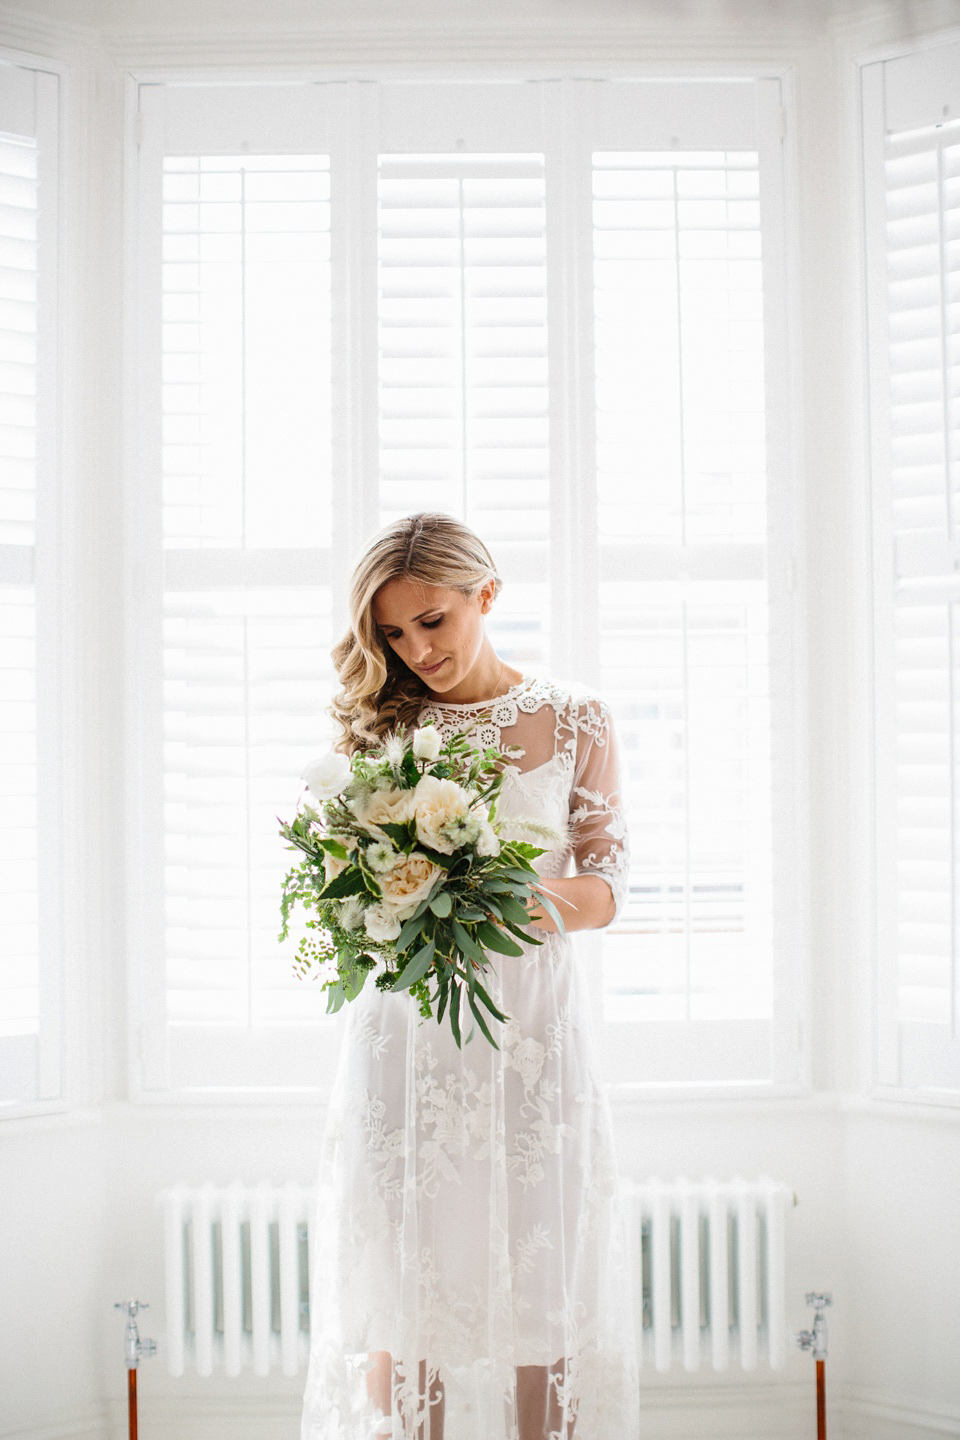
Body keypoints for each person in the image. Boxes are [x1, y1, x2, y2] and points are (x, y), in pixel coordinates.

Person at [301, 512, 639, 1440]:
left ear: (486, 597)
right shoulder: (381, 724)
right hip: (406, 1034)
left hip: (531, 1034)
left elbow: (608, 886)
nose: (416, 651)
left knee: (545, 1279)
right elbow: (346, 885)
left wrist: (519, 898)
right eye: (393, 634)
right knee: (403, 1288)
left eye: (433, 622)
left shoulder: (574, 717)